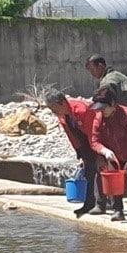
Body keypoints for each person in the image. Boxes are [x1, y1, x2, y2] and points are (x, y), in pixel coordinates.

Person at [88, 85, 127, 222]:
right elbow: (94, 141)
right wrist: (104, 150)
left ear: (113, 104)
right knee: (116, 183)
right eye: (99, 108)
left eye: (104, 108)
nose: (101, 111)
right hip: (114, 154)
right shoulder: (98, 118)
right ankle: (118, 210)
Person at [44, 89, 105, 218]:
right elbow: (71, 135)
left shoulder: (82, 110)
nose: (52, 111)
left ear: (61, 103)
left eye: (53, 108)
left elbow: (93, 132)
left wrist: (99, 153)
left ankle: (101, 204)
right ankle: (89, 203)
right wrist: (80, 153)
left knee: (100, 170)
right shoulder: (62, 116)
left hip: (98, 139)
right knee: (89, 172)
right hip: (84, 142)